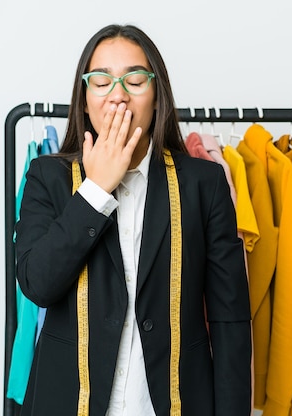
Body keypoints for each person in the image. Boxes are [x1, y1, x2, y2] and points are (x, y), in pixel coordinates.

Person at [15, 24, 252, 416]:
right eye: (102, 80)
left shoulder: (203, 184)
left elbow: (230, 321)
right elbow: (37, 283)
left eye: (135, 79)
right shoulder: (48, 177)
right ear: (85, 99)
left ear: (157, 96)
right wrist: (96, 189)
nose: (118, 95)